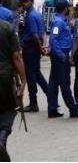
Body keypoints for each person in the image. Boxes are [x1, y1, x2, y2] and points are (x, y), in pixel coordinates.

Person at [47, 0, 78, 119]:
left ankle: (52, 108)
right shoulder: (58, 22)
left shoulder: (62, 20)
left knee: (54, 83)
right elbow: (53, 40)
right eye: (70, 7)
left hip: (61, 54)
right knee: (64, 83)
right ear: (66, 9)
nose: (71, 9)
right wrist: (61, 55)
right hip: (60, 55)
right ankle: (73, 109)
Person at [0, 16, 26, 161]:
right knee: (8, 110)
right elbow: (16, 57)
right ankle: (2, 140)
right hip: (4, 78)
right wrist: (23, 81)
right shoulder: (7, 27)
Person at [19, 0, 47, 113]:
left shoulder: (30, 15)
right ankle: (50, 95)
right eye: (22, 1)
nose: (23, 4)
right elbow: (43, 32)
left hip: (31, 48)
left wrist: (41, 47)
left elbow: (35, 35)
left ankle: (33, 103)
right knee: (37, 75)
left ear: (31, 1)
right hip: (34, 48)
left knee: (31, 76)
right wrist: (42, 46)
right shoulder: (36, 14)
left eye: (25, 1)